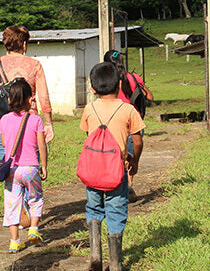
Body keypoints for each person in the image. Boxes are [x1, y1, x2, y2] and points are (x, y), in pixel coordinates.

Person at [79, 62, 145, 271]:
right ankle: (116, 263)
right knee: (116, 211)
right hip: (116, 171)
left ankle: (95, 255)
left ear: (92, 89)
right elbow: (138, 141)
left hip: (92, 172)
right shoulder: (128, 109)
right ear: (119, 84)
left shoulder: (89, 108)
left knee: (93, 208)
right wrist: (134, 161)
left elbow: (87, 134)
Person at [0, 25, 54, 159]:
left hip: (1, 123)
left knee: (8, 168)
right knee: (30, 167)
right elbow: (43, 97)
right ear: (24, 44)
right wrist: (48, 123)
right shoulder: (34, 65)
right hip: (29, 122)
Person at [0, 78, 48, 253]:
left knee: (12, 203)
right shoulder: (36, 120)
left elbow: (5, 143)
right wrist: (44, 165)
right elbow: (41, 144)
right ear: (29, 99)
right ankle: (33, 229)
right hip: (31, 167)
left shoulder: (4, 120)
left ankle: (14, 241)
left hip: (12, 169)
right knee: (35, 198)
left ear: (9, 100)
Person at [103, 50, 154, 202]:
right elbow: (150, 96)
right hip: (134, 121)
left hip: (113, 122)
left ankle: (114, 187)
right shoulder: (134, 77)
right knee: (130, 156)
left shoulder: (108, 79)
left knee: (113, 154)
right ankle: (129, 185)